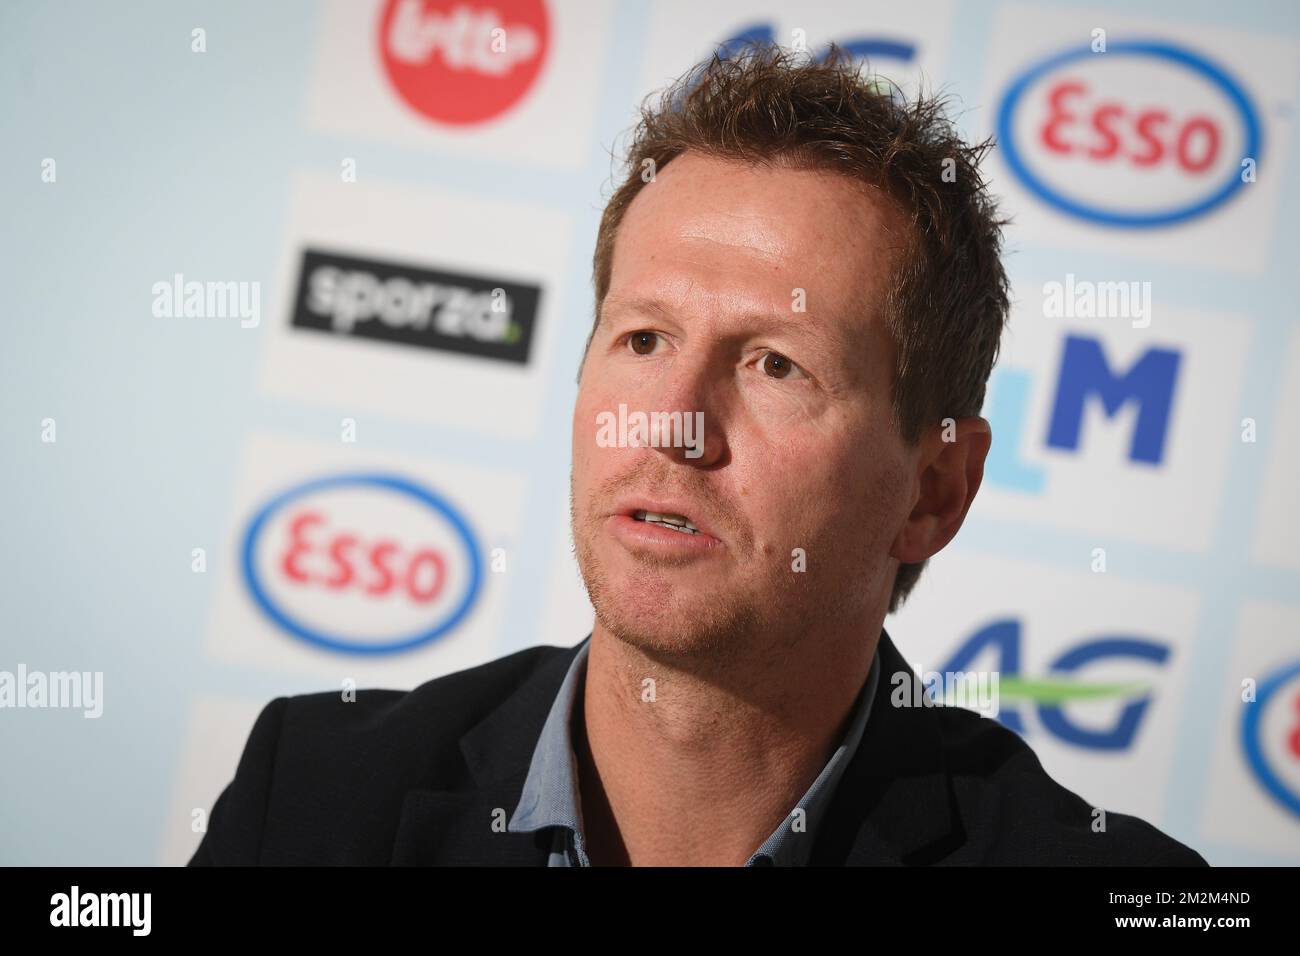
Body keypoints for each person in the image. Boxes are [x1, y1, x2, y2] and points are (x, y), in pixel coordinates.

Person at [191, 45, 1207, 867]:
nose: (670, 422)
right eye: (643, 340)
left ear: (934, 490)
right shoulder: (315, 794)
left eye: (774, 363)